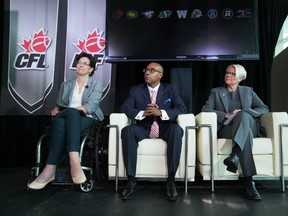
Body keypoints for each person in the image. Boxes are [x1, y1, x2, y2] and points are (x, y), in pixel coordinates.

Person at [28, 52, 104, 190]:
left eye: (85, 63)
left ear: (91, 69)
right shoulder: (66, 85)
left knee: (66, 117)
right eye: (79, 62)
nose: (80, 65)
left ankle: (51, 169)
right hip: (68, 118)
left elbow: (91, 107)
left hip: (88, 119)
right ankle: (72, 162)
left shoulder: (96, 85)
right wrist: (55, 109)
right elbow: (59, 104)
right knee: (62, 119)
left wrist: (67, 111)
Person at [120, 62, 187, 201]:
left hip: (164, 127)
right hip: (143, 127)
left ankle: (171, 180)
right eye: (146, 70)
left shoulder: (170, 89)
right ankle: (131, 180)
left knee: (176, 130)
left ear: (160, 75)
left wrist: (161, 112)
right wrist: (143, 113)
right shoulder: (136, 90)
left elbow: (181, 108)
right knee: (128, 131)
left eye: (152, 70)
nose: (147, 73)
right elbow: (125, 108)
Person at [202, 64, 269, 201]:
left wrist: (248, 112)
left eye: (232, 74)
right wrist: (225, 115)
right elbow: (206, 109)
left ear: (241, 78)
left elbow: (264, 108)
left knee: (243, 115)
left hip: (249, 124)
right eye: (227, 72)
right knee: (246, 134)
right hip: (228, 128)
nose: (228, 75)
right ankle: (248, 181)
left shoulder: (248, 91)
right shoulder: (216, 92)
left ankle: (235, 155)